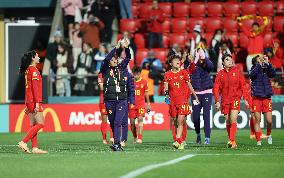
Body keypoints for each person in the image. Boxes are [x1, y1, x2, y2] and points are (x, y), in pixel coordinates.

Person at [100, 39, 134, 151]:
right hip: (109, 101)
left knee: (118, 121)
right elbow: (106, 58)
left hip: (121, 100)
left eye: (116, 59)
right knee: (112, 122)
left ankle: (117, 144)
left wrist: (126, 47)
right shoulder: (105, 70)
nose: (115, 60)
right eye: (113, 59)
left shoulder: (122, 68)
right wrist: (116, 47)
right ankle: (117, 142)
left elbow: (128, 57)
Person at [213, 54, 250, 149]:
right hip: (225, 100)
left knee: (233, 119)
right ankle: (231, 140)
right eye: (227, 60)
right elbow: (216, 88)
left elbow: (243, 86)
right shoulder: (220, 74)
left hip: (235, 99)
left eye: (230, 59)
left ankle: (232, 140)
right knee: (228, 120)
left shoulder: (237, 72)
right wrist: (217, 101)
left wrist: (246, 99)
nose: (230, 61)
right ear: (223, 63)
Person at [164, 55, 199, 150]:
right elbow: (166, 87)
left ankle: (179, 140)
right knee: (175, 121)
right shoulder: (167, 74)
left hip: (183, 101)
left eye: (178, 60)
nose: (177, 62)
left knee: (180, 121)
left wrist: (195, 96)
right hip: (173, 102)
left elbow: (189, 85)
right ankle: (180, 141)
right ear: (171, 64)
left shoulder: (184, 72)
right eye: (175, 60)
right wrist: (166, 95)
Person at [18, 50, 48, 154]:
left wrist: (28, 104)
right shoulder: (34, 70)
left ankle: (35, 148)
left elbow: (28, 88)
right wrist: (37, 103)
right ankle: (23, 142)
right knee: (40, 124)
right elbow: (35, 88)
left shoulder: (28, 70)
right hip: (34, 100)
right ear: (33, 58)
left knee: (33, 124)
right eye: (37, 56)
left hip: (29, 100)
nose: (39, 57)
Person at [250, 54, 276, 146]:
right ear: (255, 62)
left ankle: (269, 135)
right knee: (257, 120)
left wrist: (268, 63)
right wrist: (258, 65)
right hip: (257, 97)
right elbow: (251, 75)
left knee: (269, 121)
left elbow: (273, 74)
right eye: (259, 59)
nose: (261, 60)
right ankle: (258, 141)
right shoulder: (254, 68)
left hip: (266, 97)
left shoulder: (266, 68)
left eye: (261, 59)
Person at [190, 48, 214, 145]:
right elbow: (189, 71)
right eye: (198, 54)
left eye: (201, 54)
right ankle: (198, 134)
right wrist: (195, 61)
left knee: (206, 115)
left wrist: (204, 58)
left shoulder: (205, 64)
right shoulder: (192, 64)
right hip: (195, 94)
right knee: (195, 116)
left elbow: (211, 66)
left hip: (207, 92)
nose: (199, 56)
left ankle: (207, 137)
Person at [129, 66, 151, 144]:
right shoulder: (130, 82)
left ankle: (140, 137)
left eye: (137, 74)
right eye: (134, 74)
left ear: (140, 74)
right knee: (132, 123)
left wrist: (148, 103)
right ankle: (135, 136)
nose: (136, 75)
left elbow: (146, 93)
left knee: (140, 119)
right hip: (131, 105)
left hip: (141, 105)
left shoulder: (144, 82)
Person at [98, 73, 114, 144]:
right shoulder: (101, 74)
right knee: (104, 120)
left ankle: (112, 137)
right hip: (104, 101)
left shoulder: (115, 72)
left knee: (113, 119)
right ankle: (104, 139)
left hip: (113, 100)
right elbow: (101, 88)